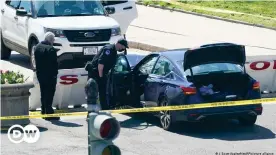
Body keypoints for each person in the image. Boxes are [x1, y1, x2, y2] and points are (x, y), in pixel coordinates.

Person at [85, 39, 129, 112]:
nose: (123, 49)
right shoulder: (109, 50)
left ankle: (104, 111)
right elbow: (100, 64)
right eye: (124, 47)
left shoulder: (113, 51)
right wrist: (101, 76)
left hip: (100, 73)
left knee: (103, 94)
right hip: (96, 74)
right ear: (120, 44)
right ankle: (91, 113)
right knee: (92, 94)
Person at [34, 32, 60, 120]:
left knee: (43, 92)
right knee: (49, 93)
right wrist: (55, 74)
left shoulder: (37, 47)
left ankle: (43, 110)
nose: (53, 42)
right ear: (50, 40)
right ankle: (49, 112)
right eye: (53, 40)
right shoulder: (51, 49)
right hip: (50, 75)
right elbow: (54, 64)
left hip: (40, 74)